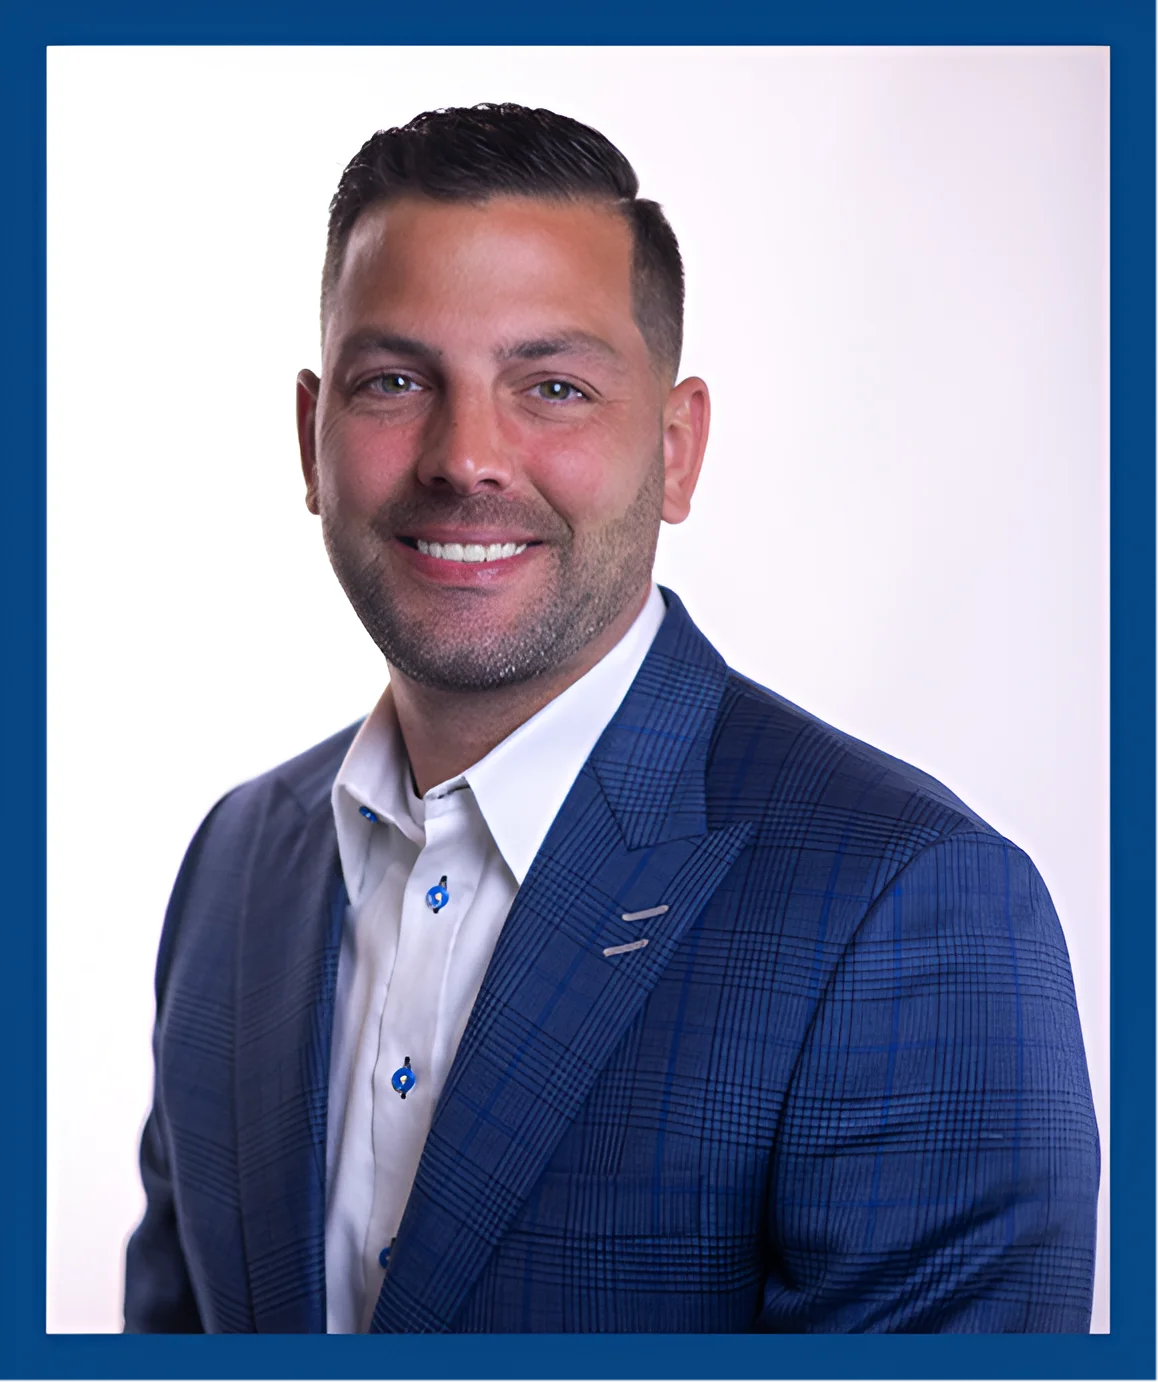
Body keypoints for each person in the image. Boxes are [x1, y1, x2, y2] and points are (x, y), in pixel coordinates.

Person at [123, 103, 1099, 1334]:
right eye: (395, 381)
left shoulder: (908, 905)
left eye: (554, 386)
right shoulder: (233, 868)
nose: (465, 456)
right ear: (309, 438)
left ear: (678, 449)